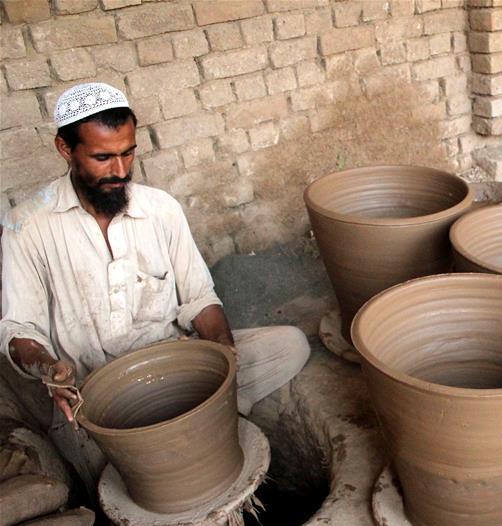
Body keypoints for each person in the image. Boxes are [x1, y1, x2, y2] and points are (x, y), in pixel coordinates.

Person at [0, 82, 310, 500]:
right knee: (110, 487)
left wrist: (222, 349)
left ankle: (204, 419)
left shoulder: (160, 209)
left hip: (173, 364)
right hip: (92, 392)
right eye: (103, 157)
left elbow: (199, 297)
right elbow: (20, 329)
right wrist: (49, 368)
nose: (121, 171)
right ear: (64, 149)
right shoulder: (27, 226)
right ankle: (189, 443)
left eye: (128, 152)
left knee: (290, 345)